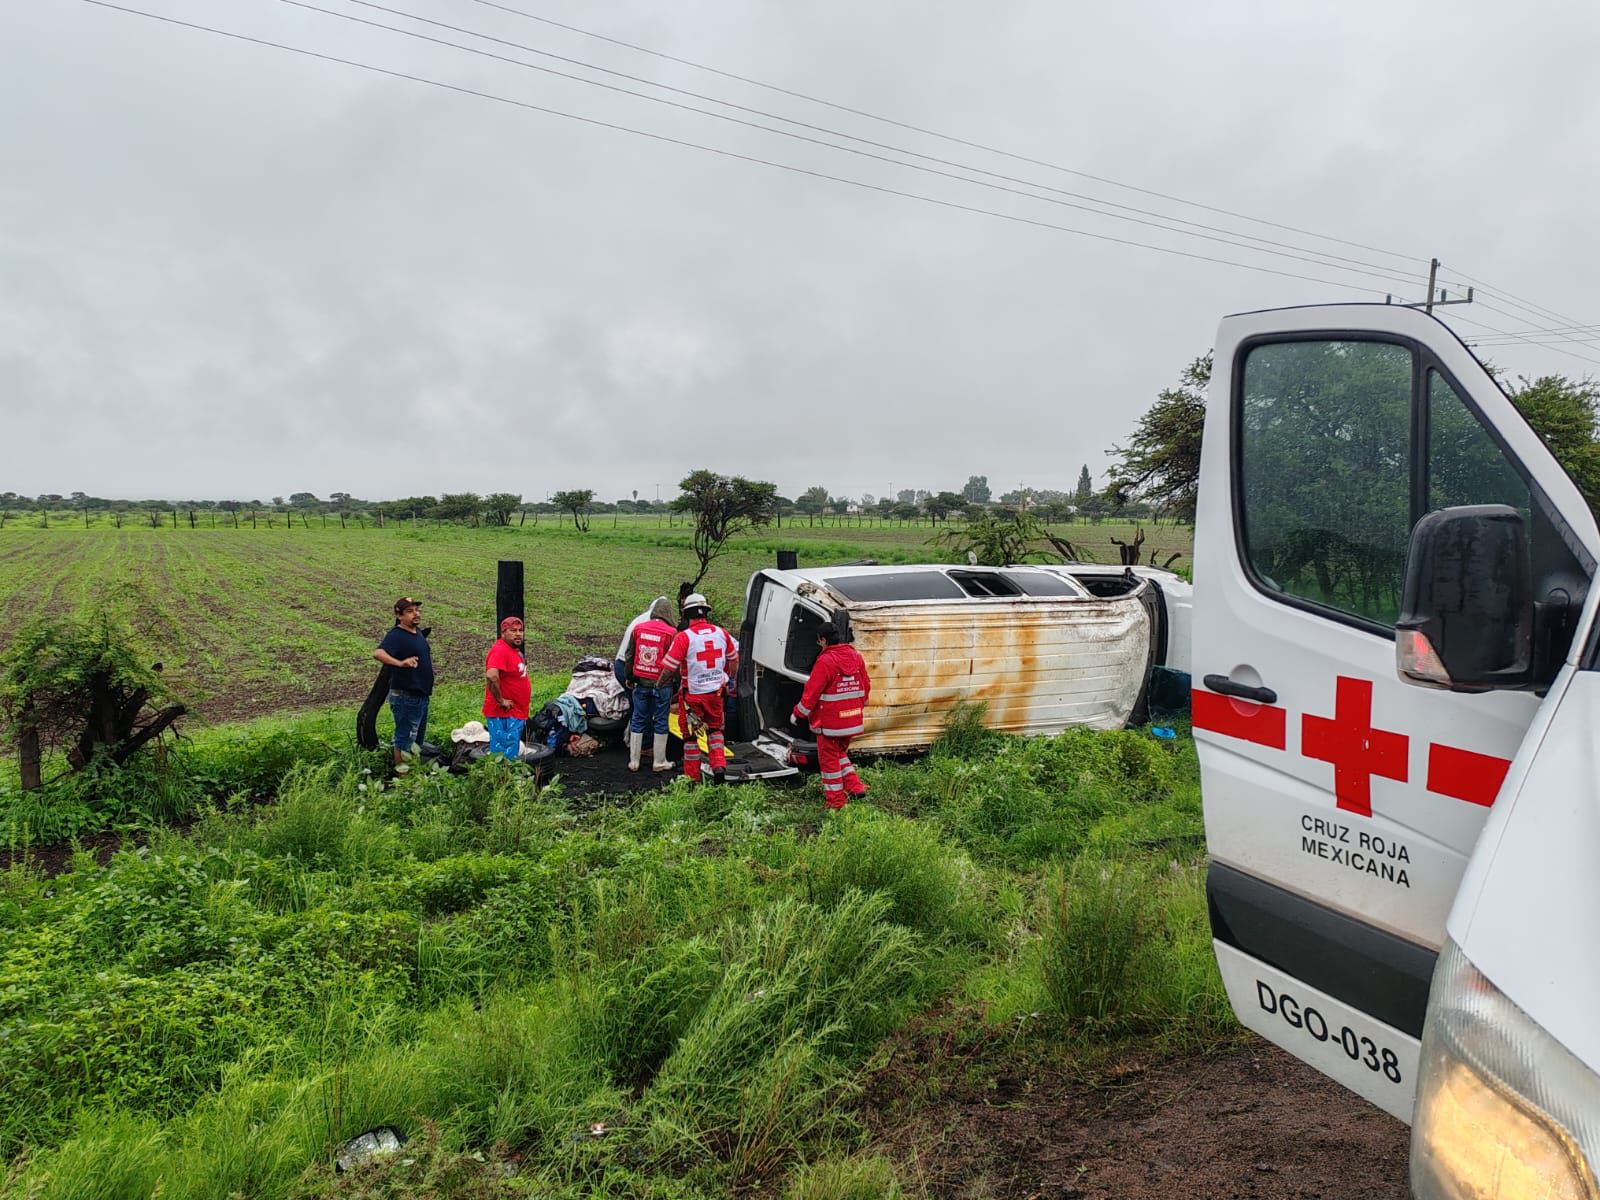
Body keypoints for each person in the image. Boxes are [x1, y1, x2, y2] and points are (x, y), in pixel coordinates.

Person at [792, 611, 871, 809]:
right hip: (852, 720)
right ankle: (855, 787)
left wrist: (797, 714)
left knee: (829, 764)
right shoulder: (856, 656)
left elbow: (811, 693)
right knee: (839, 754)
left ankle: (835, 802)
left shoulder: (825, 661)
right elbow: (866, 685)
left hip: (830, 724)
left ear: (823, 640)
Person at [658, 593, 739, 783]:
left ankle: (692, 778)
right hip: (716, 695)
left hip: (692, 699)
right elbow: (734, 660)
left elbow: (669, 668)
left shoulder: (684, 637)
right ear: (706, 613)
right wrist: (729, 677)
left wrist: (659, 684)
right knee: (716, 731)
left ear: (686, 615)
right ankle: (719, 766)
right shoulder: (722, 633)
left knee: (691, 738)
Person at [374, 596, 434, 770]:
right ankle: (403, 779)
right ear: (399, 615)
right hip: (406, 696)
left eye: (417, 610)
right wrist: (400, 663)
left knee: (416, 740)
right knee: (404, 739)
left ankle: (412, 774)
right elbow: (378, 653)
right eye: (410, 611)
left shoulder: (417, 633)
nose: (415, 614)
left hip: (420, 695)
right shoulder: (396, 635)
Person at [623, 597, 678, 773]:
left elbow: (629, 654)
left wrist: (629, 677)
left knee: (638, 718)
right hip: (662, 685)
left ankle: (634, 762)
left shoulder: (639, 629)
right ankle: (659, 761)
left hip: (640, 683)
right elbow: (674, 661)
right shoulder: (671, 632)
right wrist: (676, 682)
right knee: (661, 720)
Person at [482, 615, 531, 760]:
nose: (518, 634)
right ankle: (503, 780)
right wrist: (500, 700)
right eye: (513, 630)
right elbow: (491, 675)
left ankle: (507, 779)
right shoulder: (500, 650)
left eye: (520, 630)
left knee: (511, 750)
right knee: (503, 755)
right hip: (503, 713)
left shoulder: (513, 650)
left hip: (515, 711)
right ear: (503, 633)